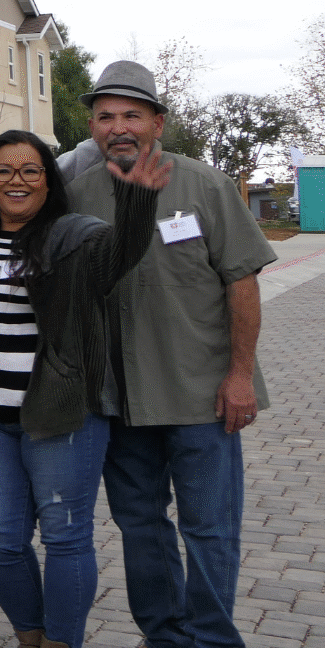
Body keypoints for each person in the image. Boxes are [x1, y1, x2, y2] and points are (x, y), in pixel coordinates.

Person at [64, 61, 276, 648]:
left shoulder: (204, 186)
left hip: (201, 396)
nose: (119, 126)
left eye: (132, 114)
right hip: (119, 399)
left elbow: (243, 281)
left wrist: (239, 376)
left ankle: (209, 639)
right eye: (105, 116)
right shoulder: (78, 195)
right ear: (92, 126)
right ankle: (163, 635)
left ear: (158, 122)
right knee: (140, 527)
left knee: (210, 529)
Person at [0, 129, 169, 648]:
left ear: (49, 181)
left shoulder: (72, 237)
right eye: (2, 170)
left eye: (30, 170)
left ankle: (61, 641)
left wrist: (137, 201)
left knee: (65, 539)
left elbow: (120, 254)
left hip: (61, 416)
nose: (16, 180)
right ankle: (32, 635)